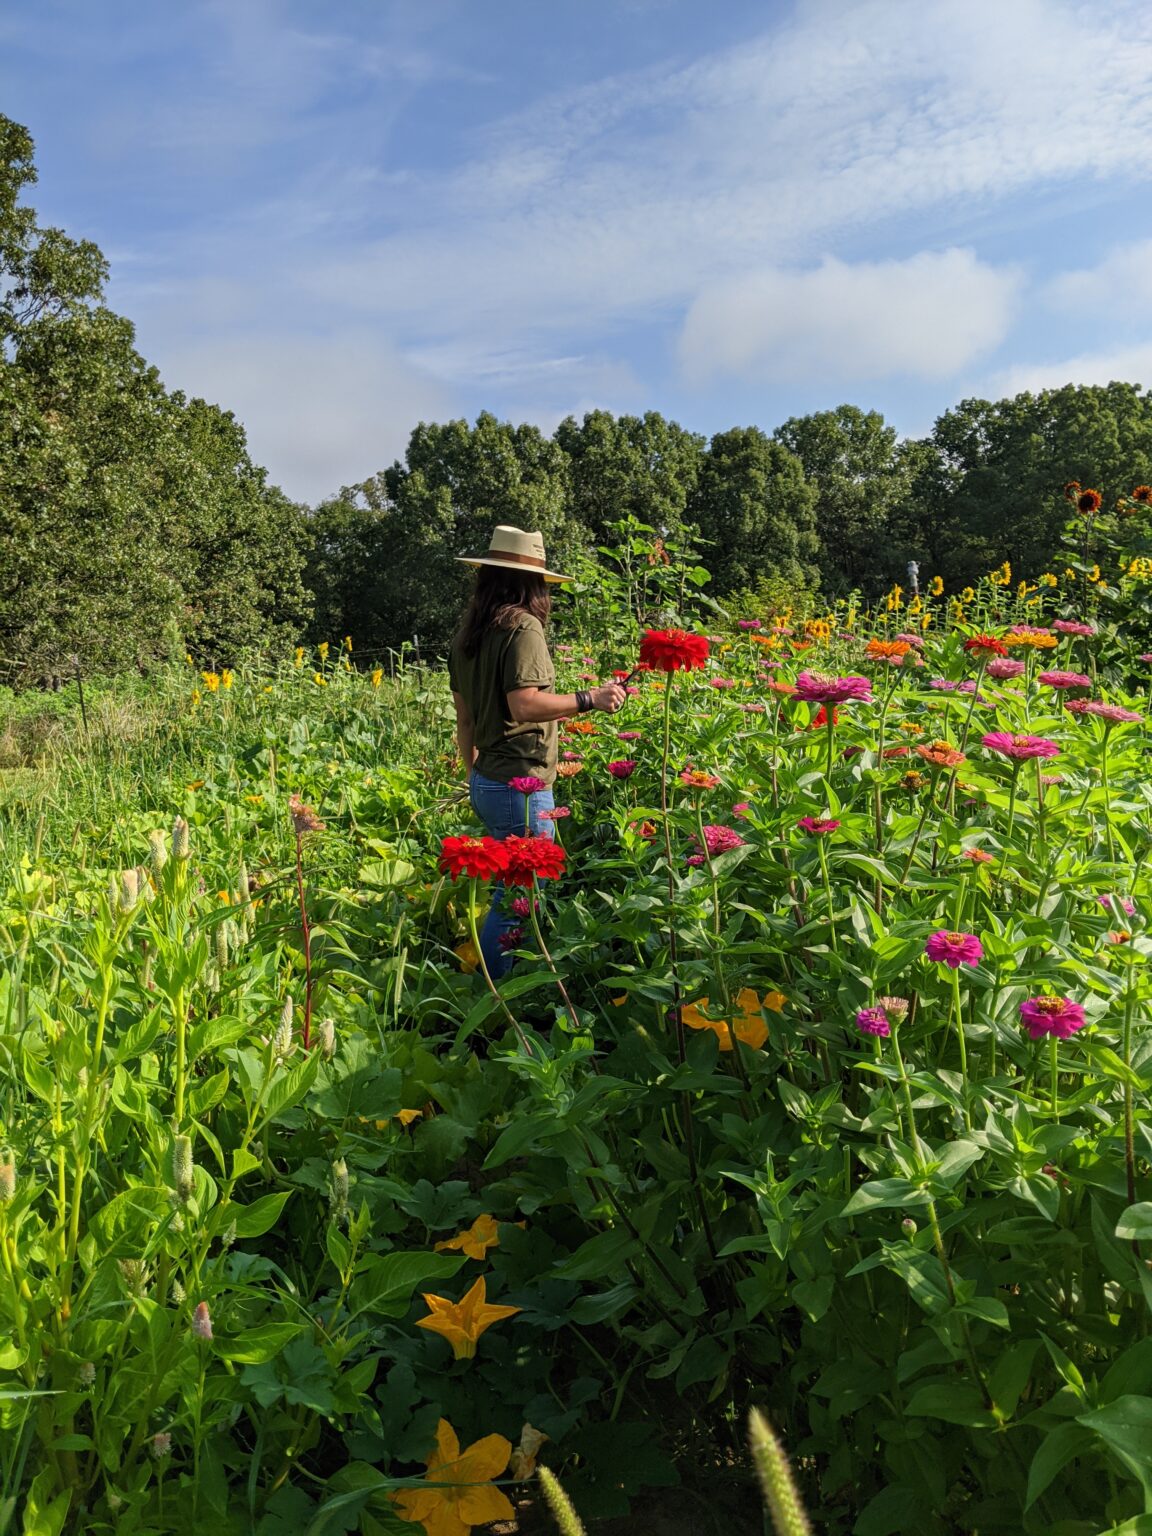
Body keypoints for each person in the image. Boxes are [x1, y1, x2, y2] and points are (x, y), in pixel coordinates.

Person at [449, 526, 626, 978]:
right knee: (517, 898)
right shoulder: (523, 628)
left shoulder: (469, 635)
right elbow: (524, 703)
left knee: (507, 891)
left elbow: (465, 719)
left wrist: (473, 773)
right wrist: (592, 699)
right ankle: (496, 995)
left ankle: (494, 984)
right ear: (532, 584)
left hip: (488, 777)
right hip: (519, 783)